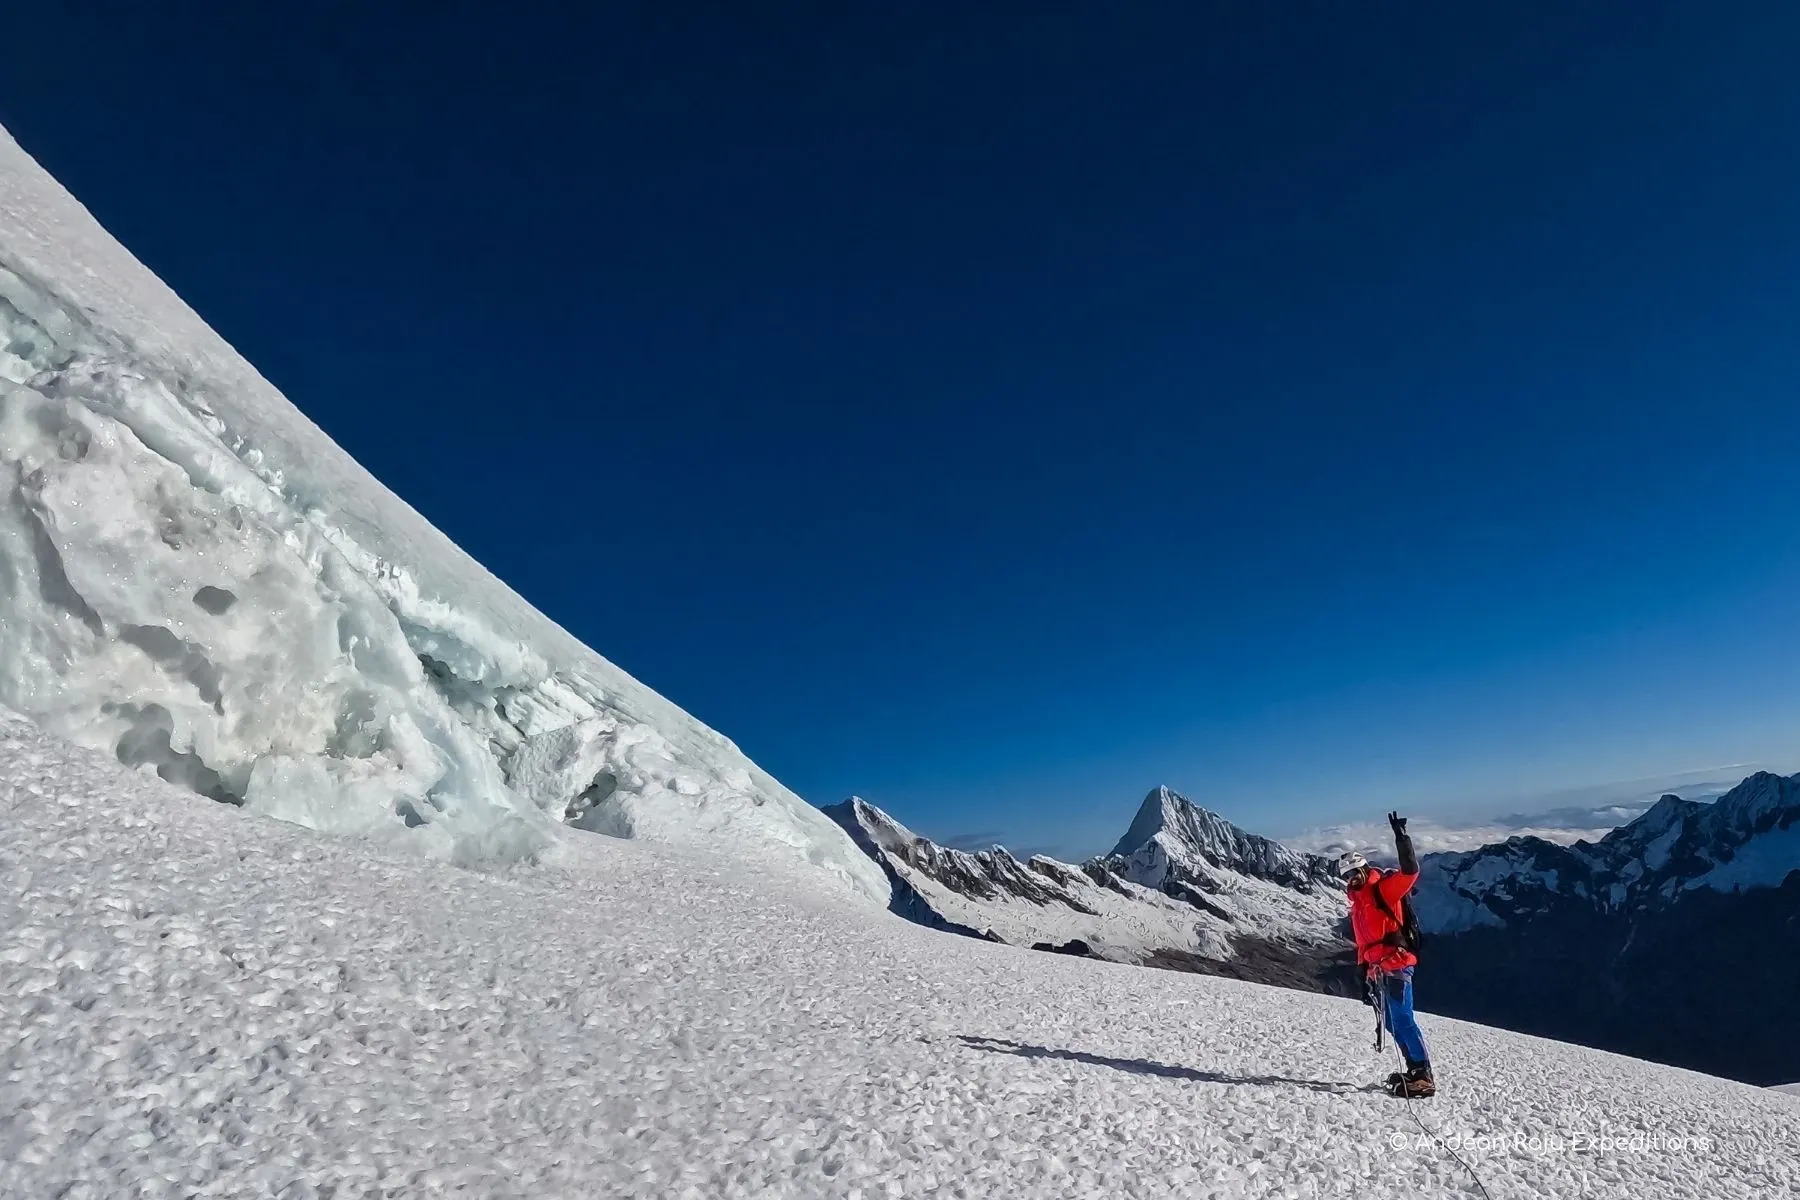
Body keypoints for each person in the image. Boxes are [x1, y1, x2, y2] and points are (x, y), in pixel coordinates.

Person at [1341, 811, 1435, 1098]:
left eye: (1354, 874)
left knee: (1403, 1018)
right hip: (1377, 970)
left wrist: (1402, 839)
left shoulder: (1384, 889)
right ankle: (1413, 1070)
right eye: (1346, 876)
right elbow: (1363, 943)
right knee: (1393, 1022)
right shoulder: (1357, 905)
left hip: (1396, 964)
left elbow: (1410, 872)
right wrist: (1362, 971)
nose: (1351, 880)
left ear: (1363, 869)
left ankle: (1423, 1074)